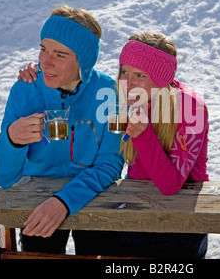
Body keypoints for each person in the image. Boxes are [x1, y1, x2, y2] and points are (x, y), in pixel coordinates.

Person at [18, 31, 209, 258]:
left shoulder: (190, 108)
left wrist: (145, 136)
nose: (128, 83)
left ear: (161, 80)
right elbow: (80, 87)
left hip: (180, 224)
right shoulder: (123, 99)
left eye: (140, 75)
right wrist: (42, 73)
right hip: (133, 215)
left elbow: (170, 186)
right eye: (124, 72)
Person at [0, 5, 124, 254]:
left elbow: (110, 163)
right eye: (43, 49)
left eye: (61, 55)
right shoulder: (24, 90)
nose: (46, 62)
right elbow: (2, 176)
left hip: (95, 195)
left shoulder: (109, 92)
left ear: (83, 62)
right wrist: (12, 140)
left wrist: (64, 201)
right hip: (36, 203)